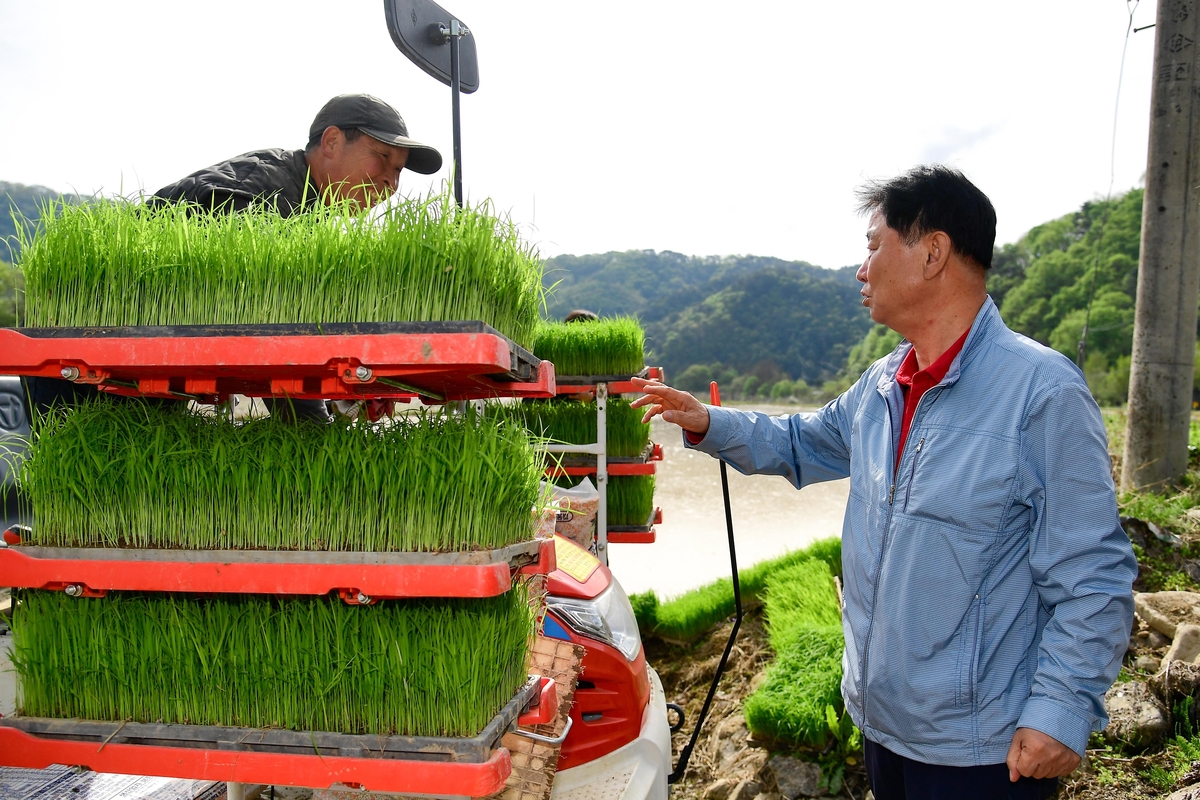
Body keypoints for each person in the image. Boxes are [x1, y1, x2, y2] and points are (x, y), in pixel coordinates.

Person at [631, 166, 1136, 800]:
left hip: (982, 753)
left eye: (874, 245)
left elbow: (1094, 575)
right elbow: (801, 443)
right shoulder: (881, 385)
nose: (861, 267)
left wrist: (1060, 711)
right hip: (882, 730)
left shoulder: (1043, 394)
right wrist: (708, 422)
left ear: (933, 253)